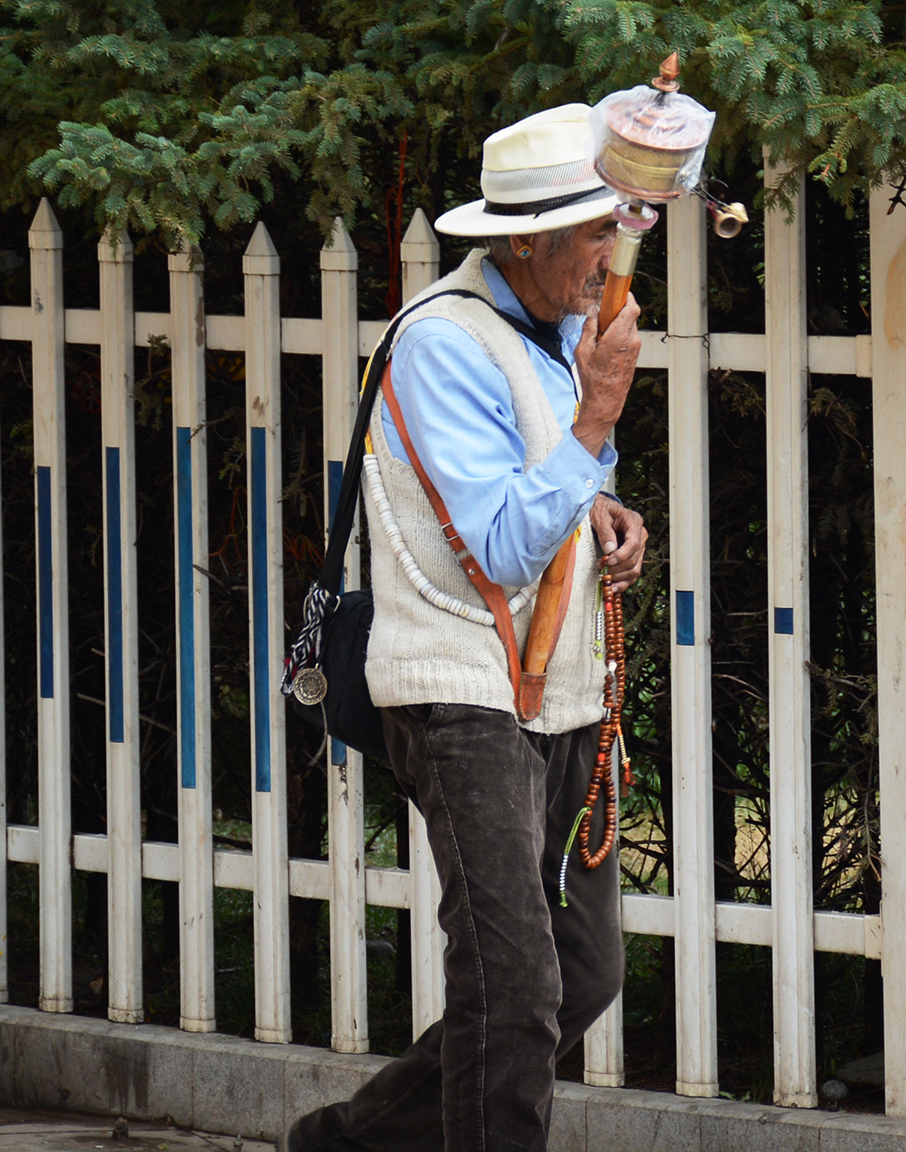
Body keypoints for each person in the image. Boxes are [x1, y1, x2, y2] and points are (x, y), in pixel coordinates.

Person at [281, 103, 646, 1152]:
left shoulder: (557, 328)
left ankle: (340, 1146)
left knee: (581, 974)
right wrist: (596, 417)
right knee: (513, 986)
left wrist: (604, 508)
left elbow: (545, 488)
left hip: (555, 692)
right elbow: (496, 545)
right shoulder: (442, 342)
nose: (611, 255)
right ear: (525, 240)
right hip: (460, 693)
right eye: (594, 232)